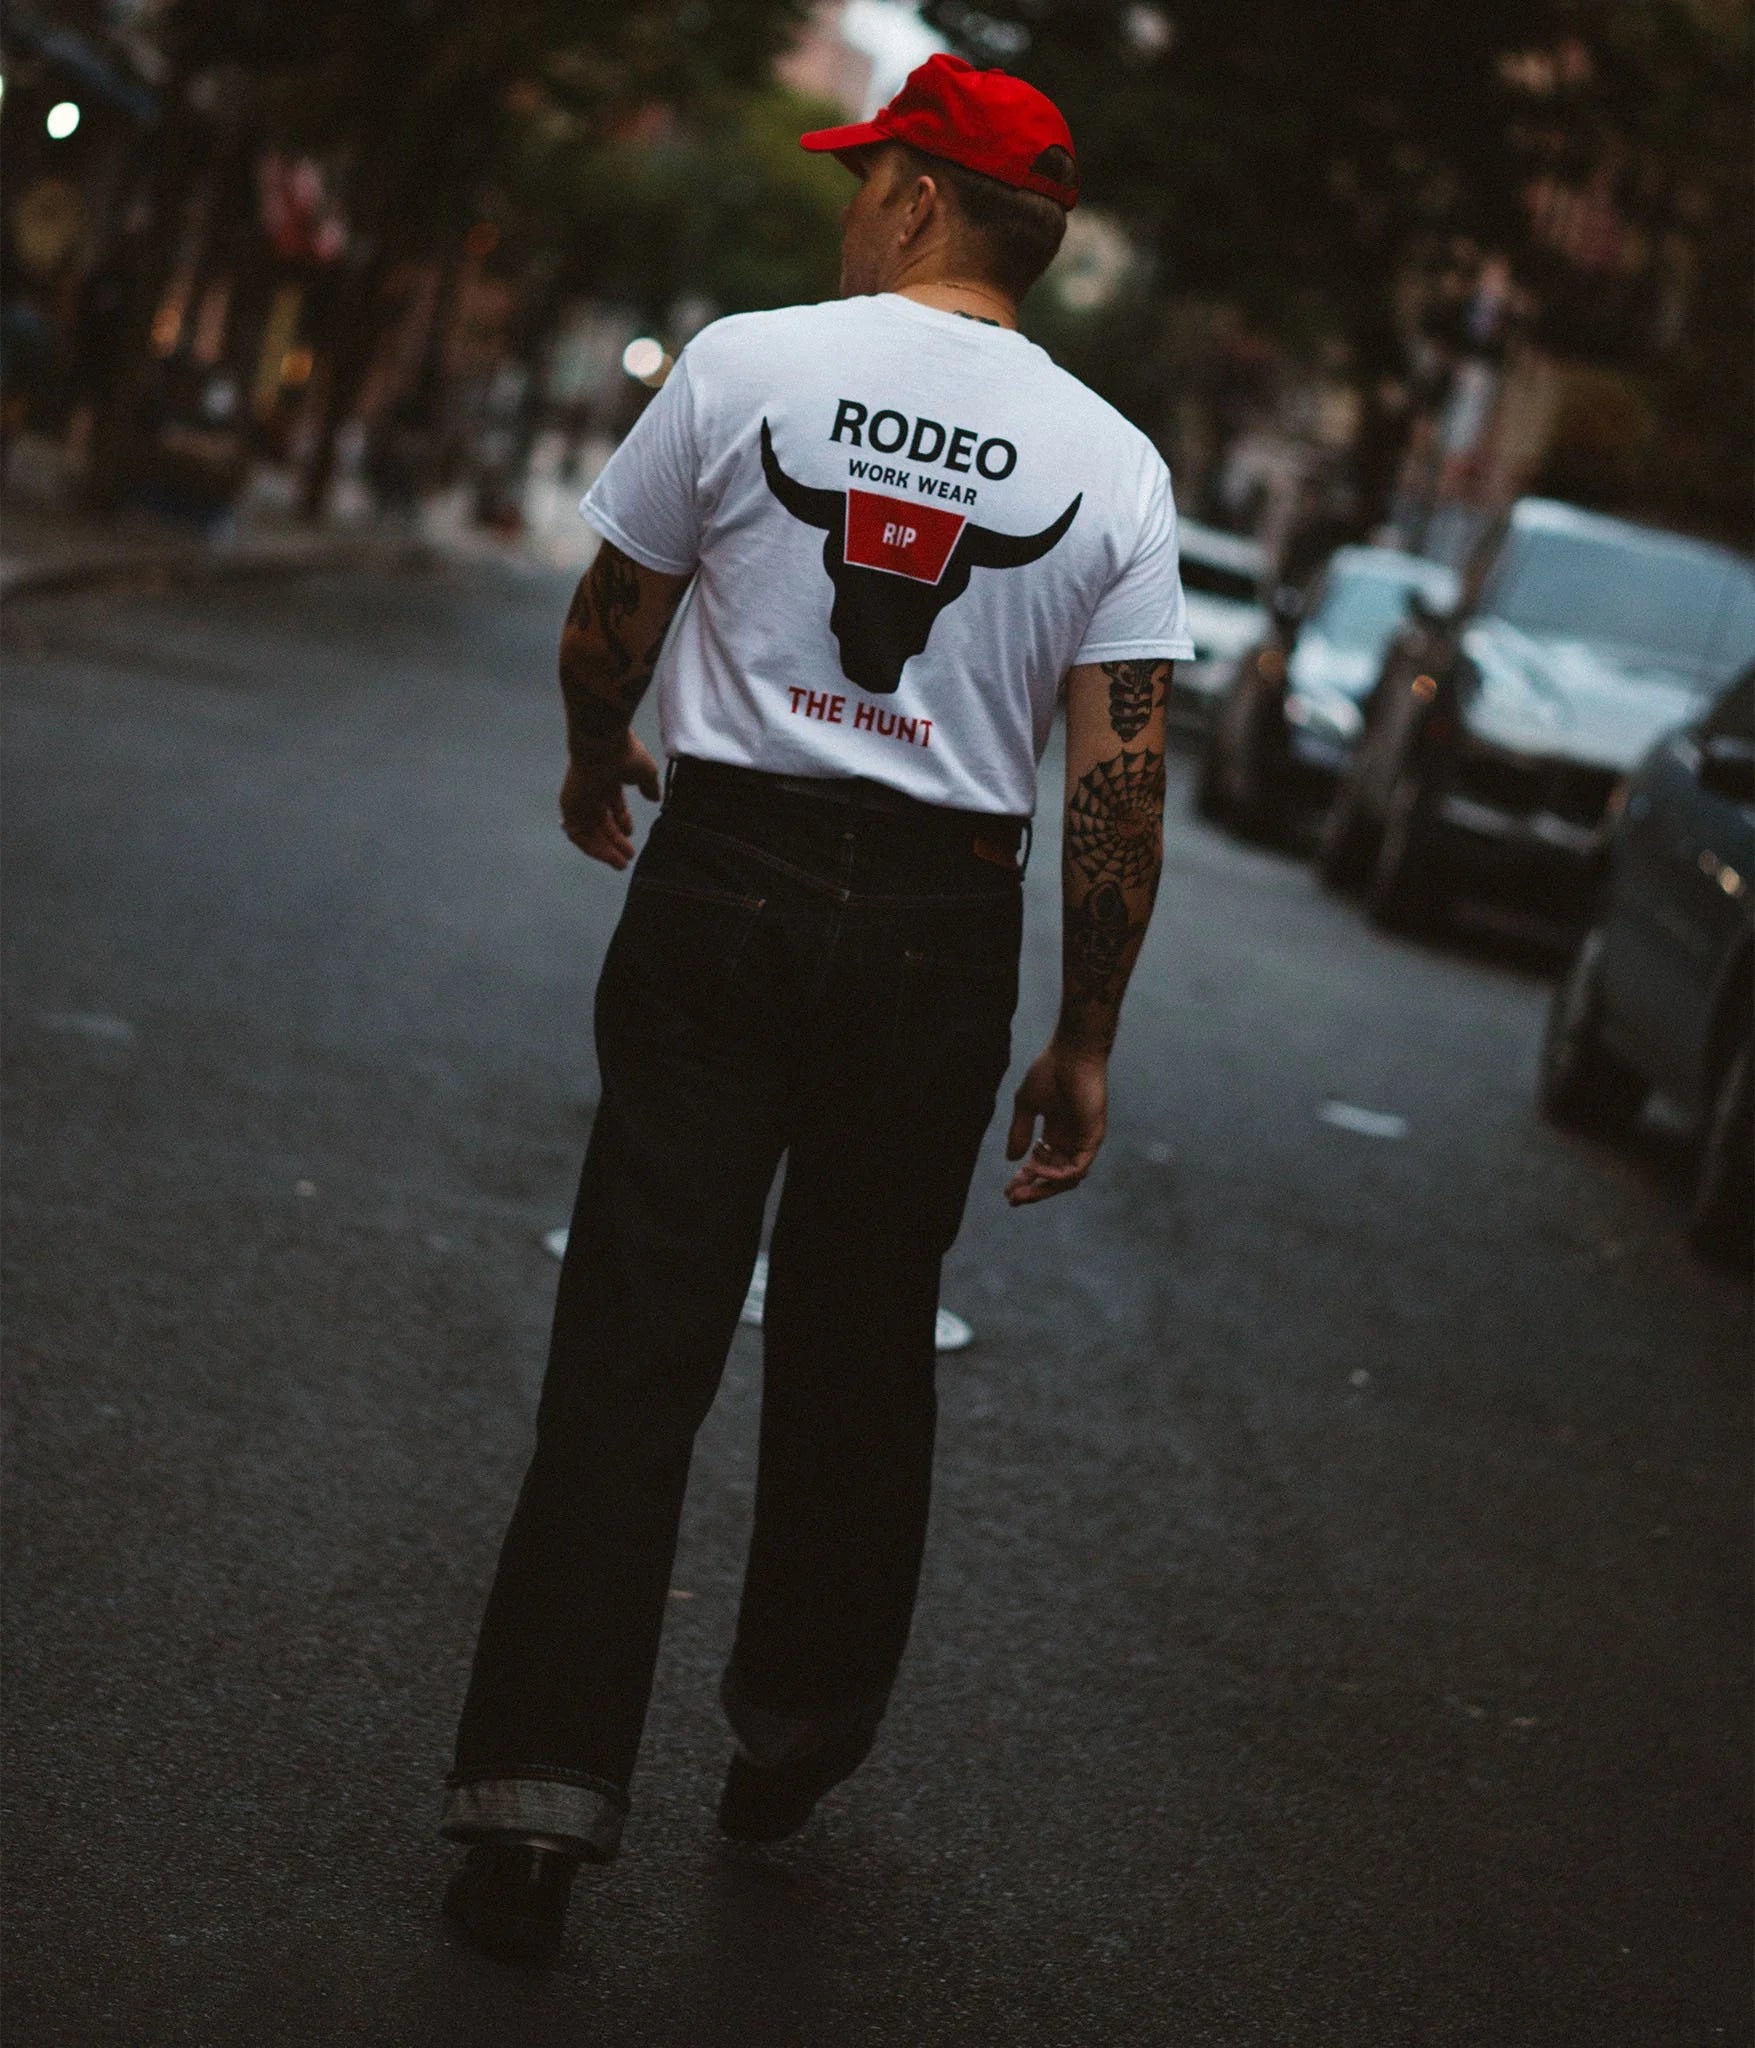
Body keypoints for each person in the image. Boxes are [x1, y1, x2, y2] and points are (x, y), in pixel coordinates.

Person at [439, 51, 1192, 1967]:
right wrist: (1084, 1028)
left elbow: (611, 609)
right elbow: (1119, 782)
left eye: (870, 180)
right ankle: (793, 1743)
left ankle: (535, 1799)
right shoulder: (1113, 466)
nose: (849, 209)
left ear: (924, 200)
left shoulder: (753, 364)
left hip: (729, 878)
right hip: (941, 932)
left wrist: (593, 753)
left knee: (638, 1317)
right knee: (859, 1348)